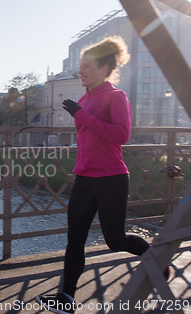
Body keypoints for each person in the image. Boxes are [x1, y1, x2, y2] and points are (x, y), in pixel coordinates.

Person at [35, 36, 167, 314]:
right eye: (80, 66)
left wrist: (82, 116)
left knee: (115, 240)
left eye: (87, 66)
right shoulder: (85, 97)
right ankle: (66, 298)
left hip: (111, 178)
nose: (80, 71)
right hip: (84, 176)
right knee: (75, 239)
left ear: (105, 68)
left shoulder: (116, 96)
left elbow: (122, 135)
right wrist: (81, 114)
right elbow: (88, 135)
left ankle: (157, 261)